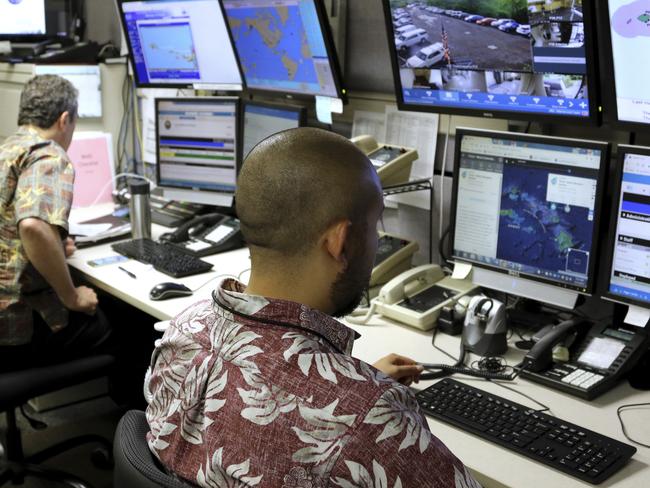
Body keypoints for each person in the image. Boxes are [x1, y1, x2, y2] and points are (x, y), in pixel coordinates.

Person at [145, 128, 480, 487]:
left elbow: (266, 377)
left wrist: (353, 382)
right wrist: (365, 397)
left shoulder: (181, 333)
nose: (376, 240)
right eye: (374, 225)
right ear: (342, 241)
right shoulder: (369, 418)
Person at [0, 75, 110, 371]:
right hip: (12, 329)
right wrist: (72, 297)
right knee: (120, 321)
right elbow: (32, 226)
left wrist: (55, 244)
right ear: (65, 120)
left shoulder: (8, 149)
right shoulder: (49, 155)